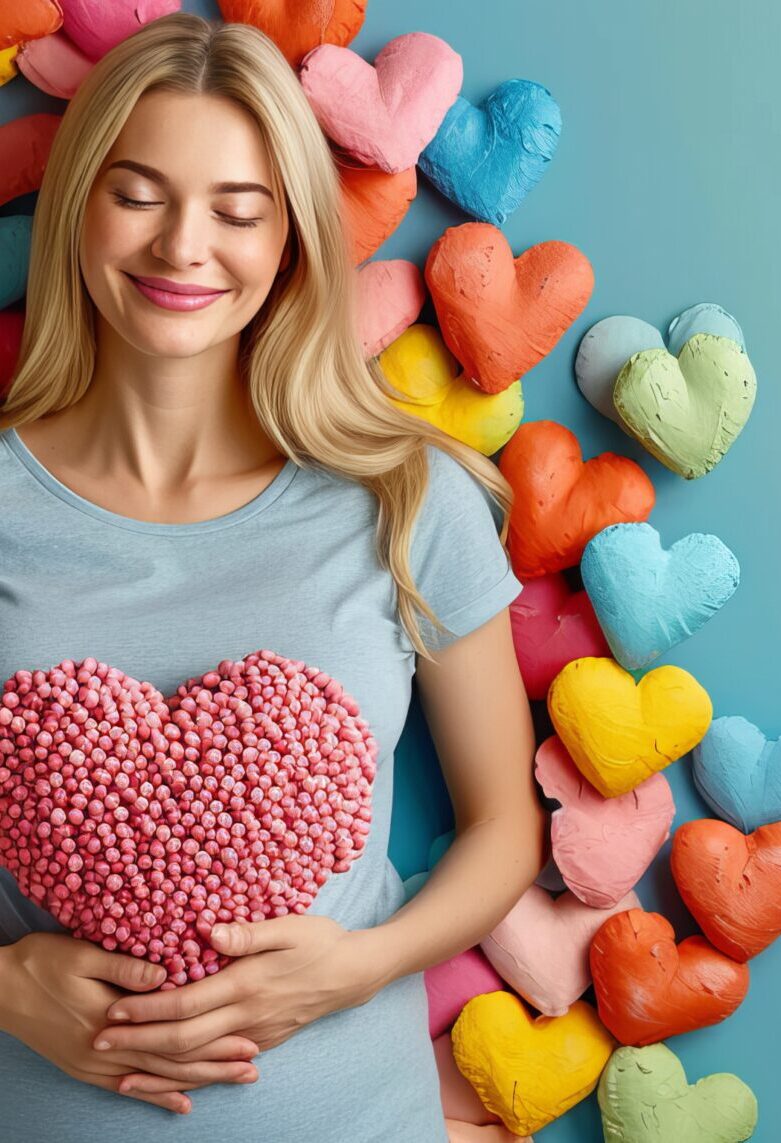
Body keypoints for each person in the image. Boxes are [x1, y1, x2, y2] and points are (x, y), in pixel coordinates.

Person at [0, 12, 547, 1140]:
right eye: (137, 194)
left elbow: (504, 831)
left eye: (237, 211)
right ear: (77, 208)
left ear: (290, 237)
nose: (181, 247)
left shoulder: (404, 496)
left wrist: (357, 968)